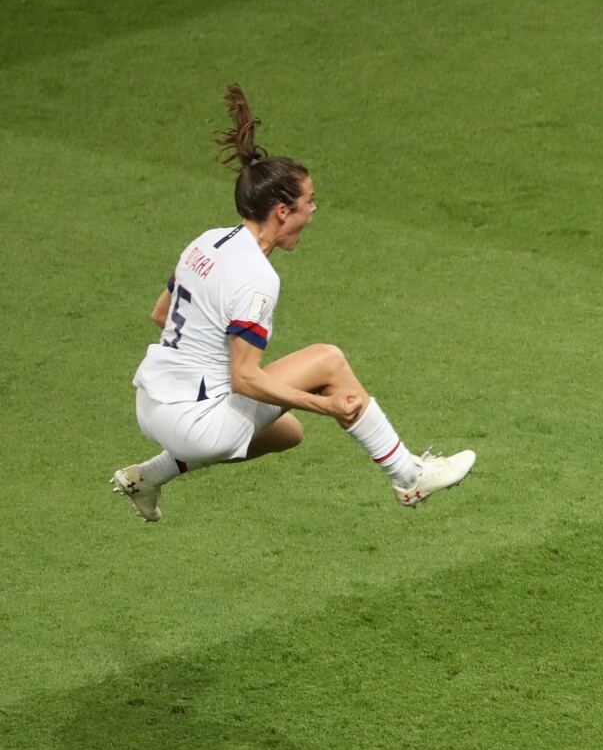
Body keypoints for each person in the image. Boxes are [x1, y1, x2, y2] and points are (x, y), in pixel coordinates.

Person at [112, 85, 474, 522]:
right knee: (327, 361)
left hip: (151, 405)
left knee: (286, 433)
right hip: (195, 423)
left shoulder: (207, 241)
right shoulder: (257, 277)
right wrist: (325, 404)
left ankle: (148, 477)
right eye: (308, 202)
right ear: (282, 211)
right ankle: (408, 475)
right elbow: (245, 379)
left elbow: (160, 314)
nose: (314, 209)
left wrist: (202, 369)